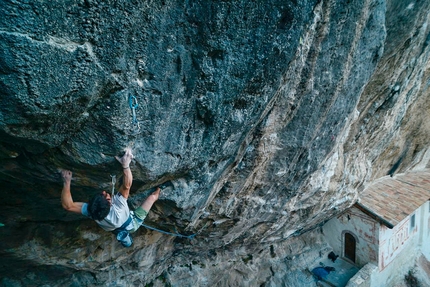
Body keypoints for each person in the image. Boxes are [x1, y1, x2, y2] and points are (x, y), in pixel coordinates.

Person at [61, 148, 160, 245]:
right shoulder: (118, 209)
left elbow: (68, 206)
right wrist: (125, 165)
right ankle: (161, 188)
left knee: (116, 227)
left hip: (115, 226)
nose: (104, 192)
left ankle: (123, 237)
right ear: (110, 202)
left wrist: (66, 182)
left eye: (102, 194)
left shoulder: (92, 211)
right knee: (152, 197)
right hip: (133, 223)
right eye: (105, 195)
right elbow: (126, 186)